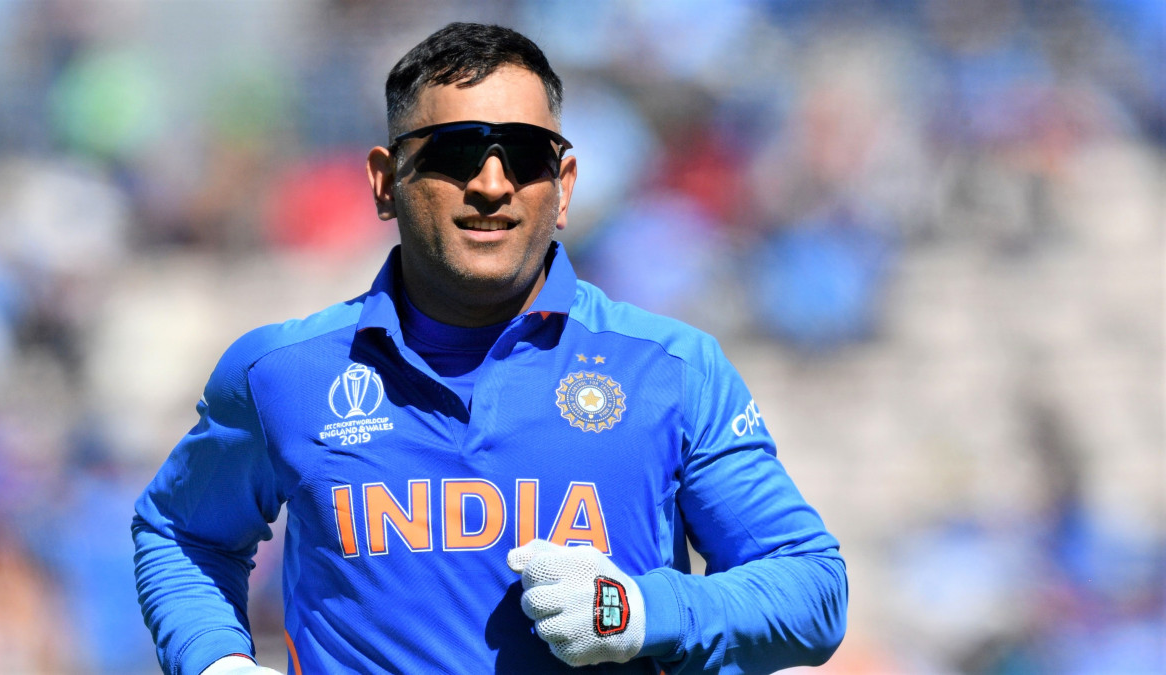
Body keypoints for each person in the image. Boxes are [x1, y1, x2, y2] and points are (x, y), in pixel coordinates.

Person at [132, 22, 847, 675]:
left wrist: (637, 611)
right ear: (385, 181)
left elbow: (811, 588)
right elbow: (179, 534)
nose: (493, 184)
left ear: (563, 187)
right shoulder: (281, 373)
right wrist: (215, 662)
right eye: (456, 151)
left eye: (526, 155)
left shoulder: (671, 369)